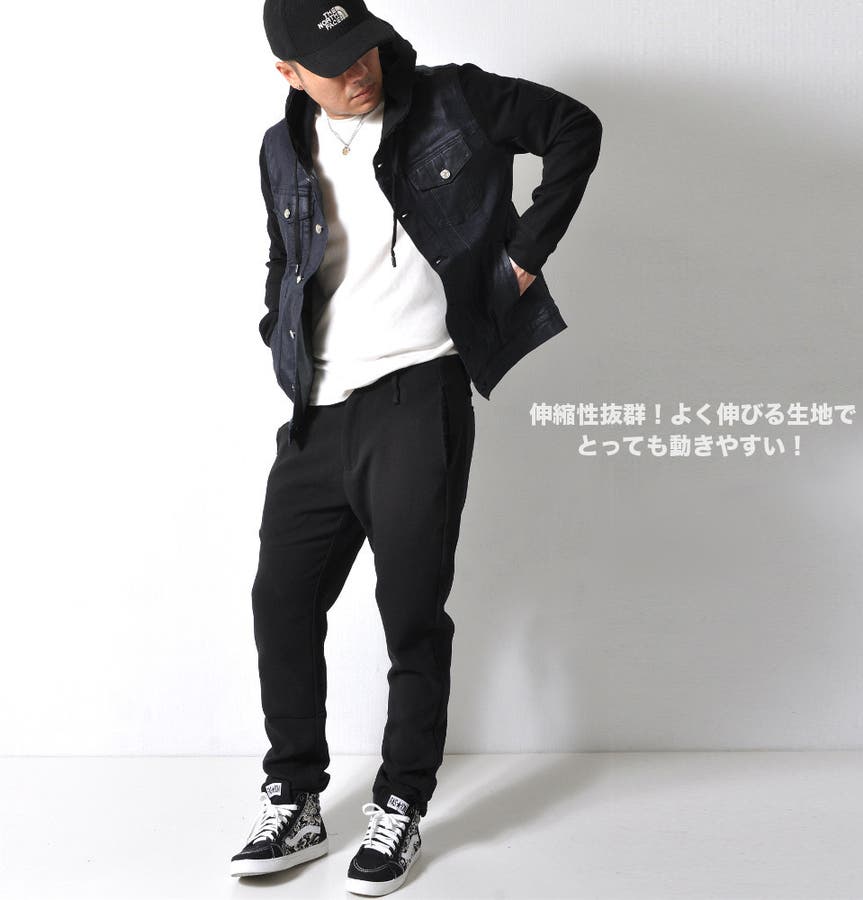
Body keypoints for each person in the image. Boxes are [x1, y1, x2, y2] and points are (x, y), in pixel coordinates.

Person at [230, 0, 603, 894]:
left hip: (416, 394)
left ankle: (400, 803)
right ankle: (295, 795)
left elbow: (573, 128)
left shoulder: (452, 101)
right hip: (319, 408)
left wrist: (523, 257)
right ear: (290, 74)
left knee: (410, 612)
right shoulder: (280, 150)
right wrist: (277, 328)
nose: (359, 70)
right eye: (334, 63)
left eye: (364, 47)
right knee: (281, 602)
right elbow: (286, 258)